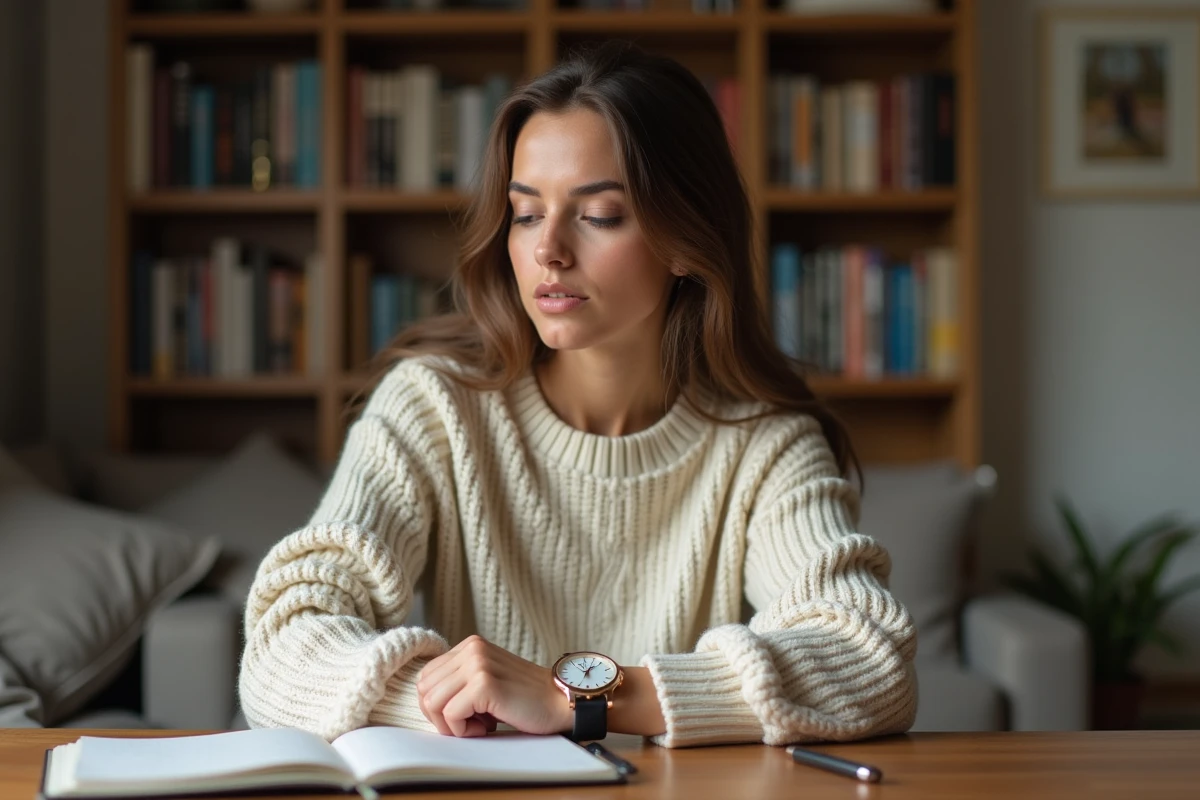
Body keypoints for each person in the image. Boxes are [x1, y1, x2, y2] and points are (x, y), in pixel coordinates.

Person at [239, 40, 918, 748]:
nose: (548, 251)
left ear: (687, 240)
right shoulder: (435, 406)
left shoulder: (765, 441)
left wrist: (579, 696)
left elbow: (872, 658)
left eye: (598, 215)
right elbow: (282, 648)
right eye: (527, 214)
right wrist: (459, 701)